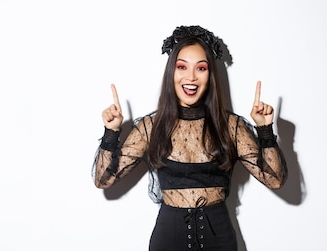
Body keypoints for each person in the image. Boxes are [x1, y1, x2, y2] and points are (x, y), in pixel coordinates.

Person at [91, 25, 287, 251]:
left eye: (201, 68)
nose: (191, 77)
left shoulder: (231, 126)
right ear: (170, 73)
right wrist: (111, 132)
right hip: (168, 240)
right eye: (181, 66)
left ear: (210, 75)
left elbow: (275, 180)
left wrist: (265, 131)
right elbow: (103, 180)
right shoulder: (151, 127)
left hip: (220, 241)